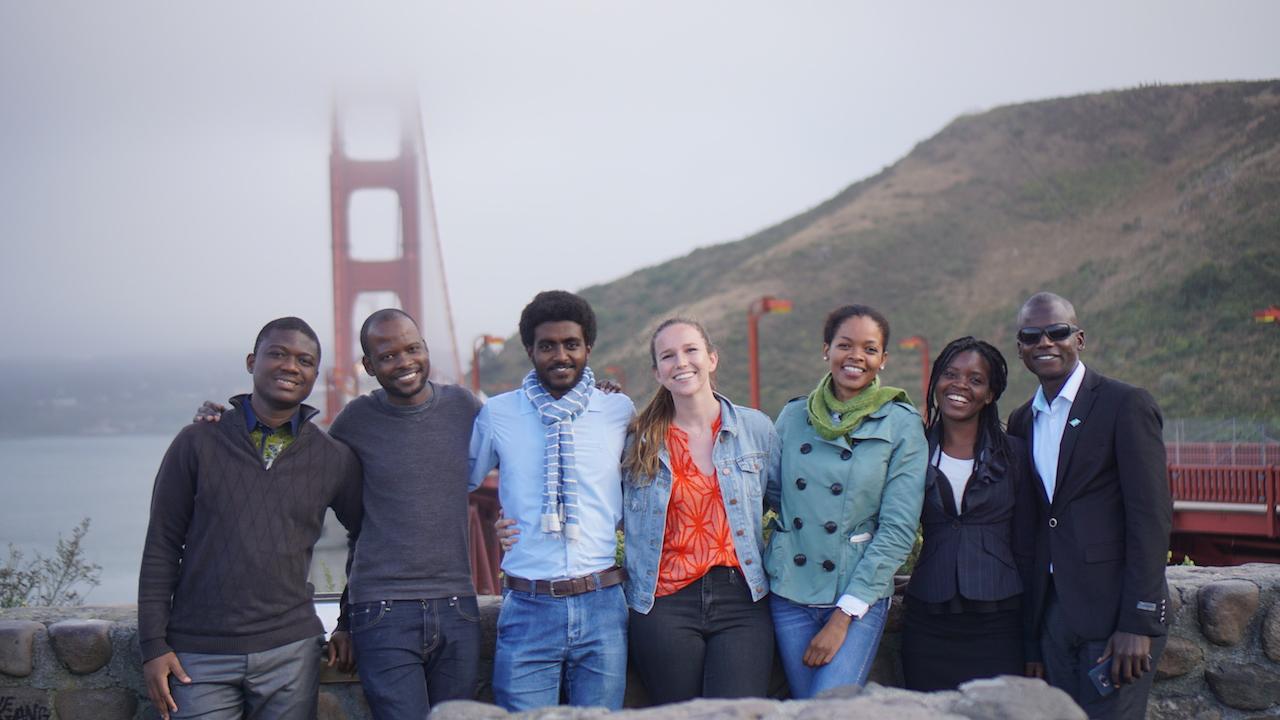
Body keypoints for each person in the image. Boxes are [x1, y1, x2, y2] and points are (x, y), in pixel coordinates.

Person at [194, 309, 485, 718]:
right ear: (368, 366)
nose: (403, 361)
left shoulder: (463, 407)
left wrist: (604, 400)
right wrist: (224, 424)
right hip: (382, 610)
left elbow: (524, 441)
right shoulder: (355, 421)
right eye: (387, 356)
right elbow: (292, 457)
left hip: (457, 605)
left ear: (424, 349)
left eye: (412, 348)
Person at [139, 317, 363, 720]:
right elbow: (161, 546)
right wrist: (153, 645)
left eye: (305, 360)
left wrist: (347, 619)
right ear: (250, 361)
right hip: (199, 654)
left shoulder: (333, 458)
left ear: (315, 375)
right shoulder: (196, 442)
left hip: (291, 652)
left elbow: (367, 537)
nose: (291, 366)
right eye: (277, 353)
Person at [1007, 292, 1171, 720]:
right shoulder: (1022, 421)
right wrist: (1032, 636)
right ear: (1020, 347)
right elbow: (1034, 527)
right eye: (1031, 335)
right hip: (1054, 619)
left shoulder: (1125, 404)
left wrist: (1139, 622)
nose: (1045, 342)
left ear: (1078, 338)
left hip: (1116, 617)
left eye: (1057, 332)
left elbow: (1150, 518)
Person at [469, 290, 634, 712]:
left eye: (571, 344)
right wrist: (494, 524)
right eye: (547, 346)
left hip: (602, 604)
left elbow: (646, 485)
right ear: (530, 350)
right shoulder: (498, 414)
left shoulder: (617, 410)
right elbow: (460, 486)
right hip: (527, 607)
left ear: (587, 348)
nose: (560, 355)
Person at [763, 304, 927, 698]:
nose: (856, 356)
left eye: (870, 349)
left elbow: (899, 528)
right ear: (826, 350)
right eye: (845, 345)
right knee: (809, 707)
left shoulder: (901, 423)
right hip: (790, 589)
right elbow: (768, 495)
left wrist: (843, 616)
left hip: (857, 594)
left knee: (829, 707)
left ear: (883, 360)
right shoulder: (792, 416)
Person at [619, 318, 781, 703]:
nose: (681, 362)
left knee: (739, 710)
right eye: (668, 356)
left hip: (742, 600)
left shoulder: (755, 429)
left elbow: (792, 509)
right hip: (662, 604)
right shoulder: (636, 441)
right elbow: (602, 507)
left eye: (690, 350)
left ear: (711, 358)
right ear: (658, 372)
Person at [900, 337, 1036, 691]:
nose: (960, 385)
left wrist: (1033, 639)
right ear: (936, 381)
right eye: (951, 374)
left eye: (975, 379)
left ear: (990, 394)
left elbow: (1027, 547)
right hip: (927, 623)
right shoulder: (911, 451)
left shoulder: (1016, 455)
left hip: (1000, 623)